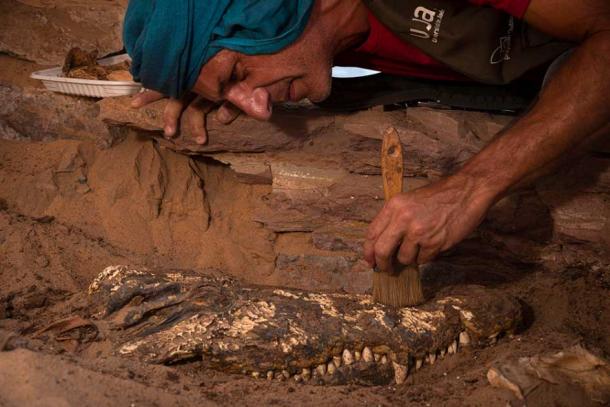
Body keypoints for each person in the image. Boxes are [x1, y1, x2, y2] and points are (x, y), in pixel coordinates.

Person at [124, 0, 610, 274]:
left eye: (238, 72)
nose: (258, 106)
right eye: (230, 95)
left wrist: (471, 188)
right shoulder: (321, 38)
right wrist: (200, 78)